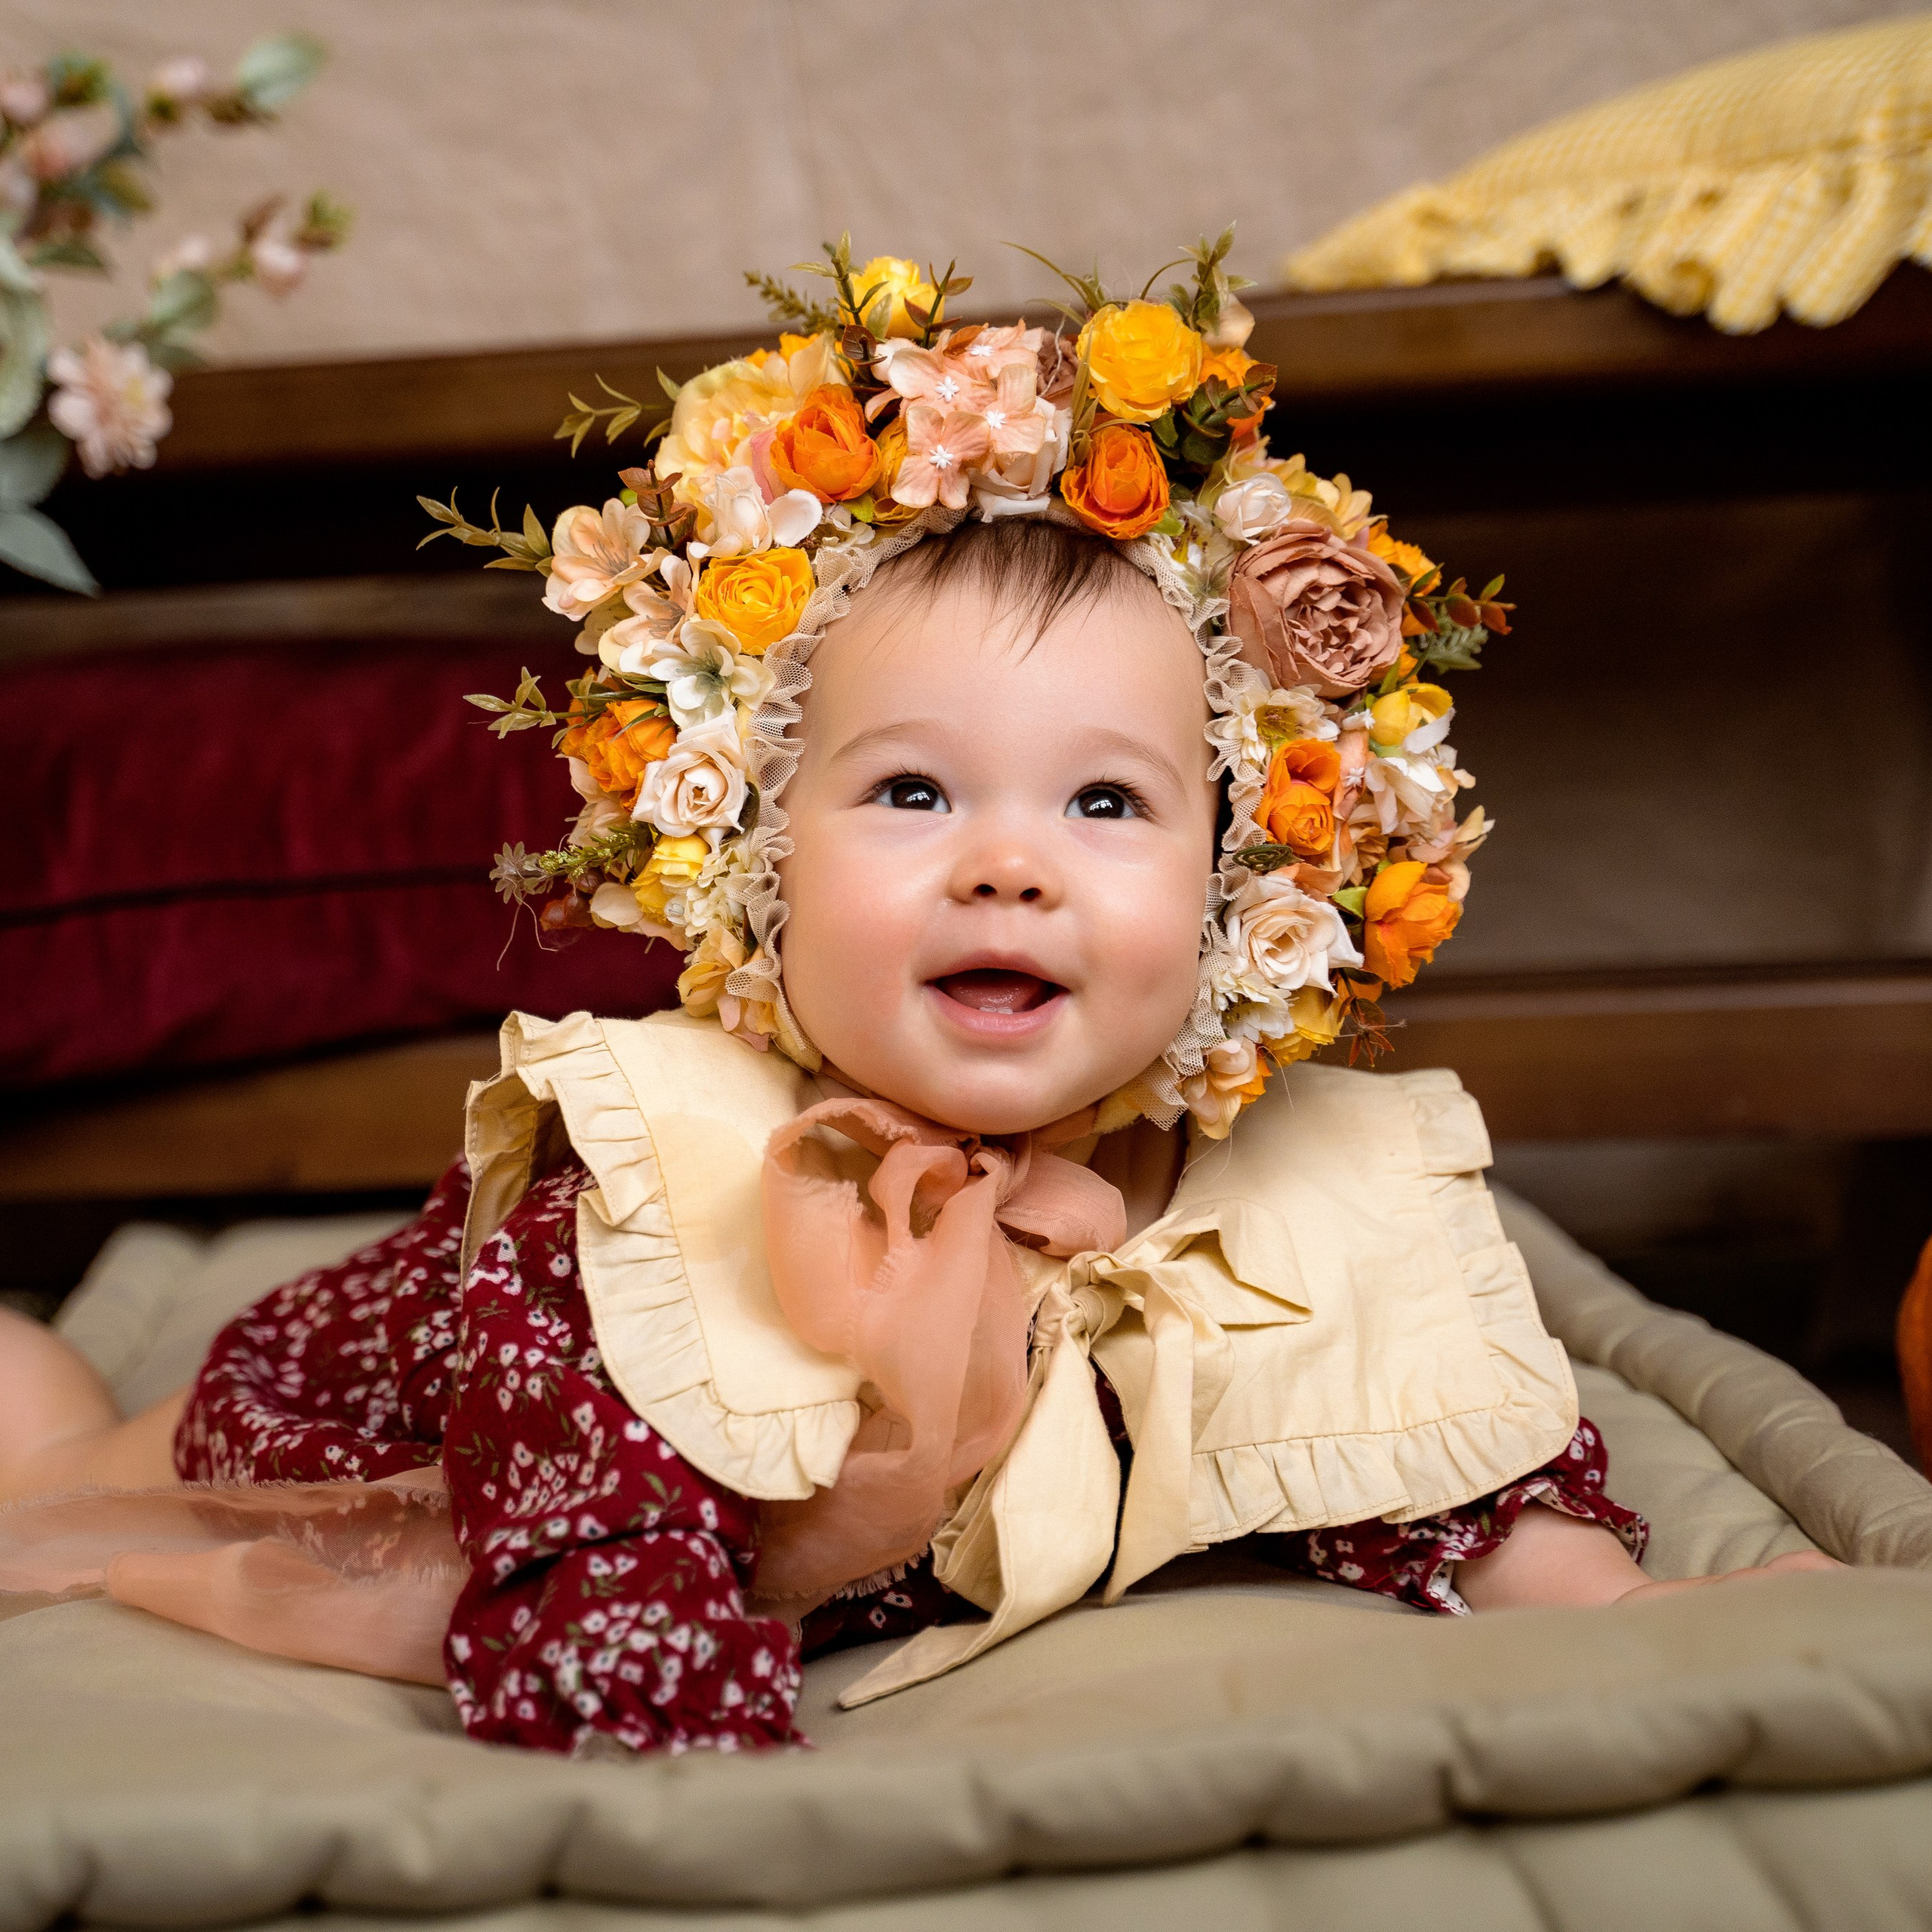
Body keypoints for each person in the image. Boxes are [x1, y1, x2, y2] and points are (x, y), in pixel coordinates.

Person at [0, 242, 1836, 1758]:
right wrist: (674, 1727)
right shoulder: (633, 1204)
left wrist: (1616, 1601)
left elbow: (1421, 1457)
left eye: (1103, 803)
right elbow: (601, 1576)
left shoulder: (1284, 1194)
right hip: (408, 1414)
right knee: (78, 1479)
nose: (1008, 865)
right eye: (910, 791)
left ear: (1238, 887)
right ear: (755, 861)